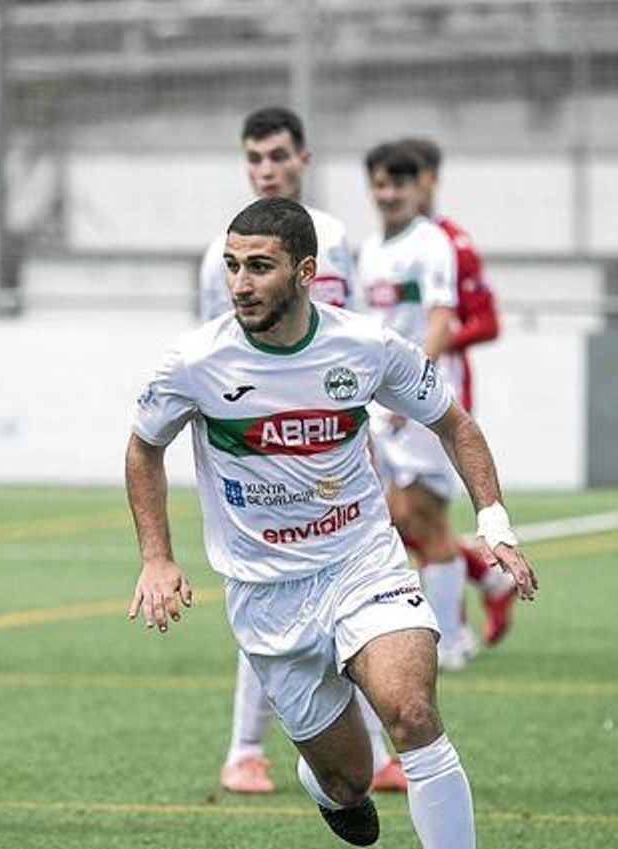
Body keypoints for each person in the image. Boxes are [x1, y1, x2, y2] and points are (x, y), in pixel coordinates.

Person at [126, 197, 536, 849]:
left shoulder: (368, 348)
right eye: (233, 266)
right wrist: (157, 555)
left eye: (259, 266)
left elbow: (456, 423)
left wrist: (496, 520)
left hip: (362, 566)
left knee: (413, 712)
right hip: (267, 596)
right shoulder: (194, 362)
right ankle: (329, 785)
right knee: (347, 778)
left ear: (307, 273)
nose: (240, 284)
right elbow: (144, 449)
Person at [199, 106, 403, 797]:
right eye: (255, 158)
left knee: (358, 603)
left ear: (304, 159)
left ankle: (371, 754)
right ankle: (244, 748)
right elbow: (213, 358)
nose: (267, 169)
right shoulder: (218, 257)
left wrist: (362, 434)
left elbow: (345, 342)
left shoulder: (337, 239)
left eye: (278, 156)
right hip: (258, 453)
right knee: (269, 596)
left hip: (332, 444)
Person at [357, 142, 478, 670]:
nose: (389, 194)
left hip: (418, 402)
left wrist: (413, 386)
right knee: (397, 516)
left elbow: (441, 319)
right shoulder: (370, 251)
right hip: (382, 405)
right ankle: (441, 624)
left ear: (417, 187)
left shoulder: (431, 243)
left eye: (399, 184)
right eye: (381, 184)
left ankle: (451, 639)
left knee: (427, 519)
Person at [395, 136, 519, 646]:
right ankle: (483, 581)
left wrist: (435, 342)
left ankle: (450, 635)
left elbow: (488, 322)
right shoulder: (391, 247)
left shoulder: (451, 243)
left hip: (436, 387)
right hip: (393, 390)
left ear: (431, 181)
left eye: (412, 178)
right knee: (398, 515)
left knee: (418, 511)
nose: (402, 190)